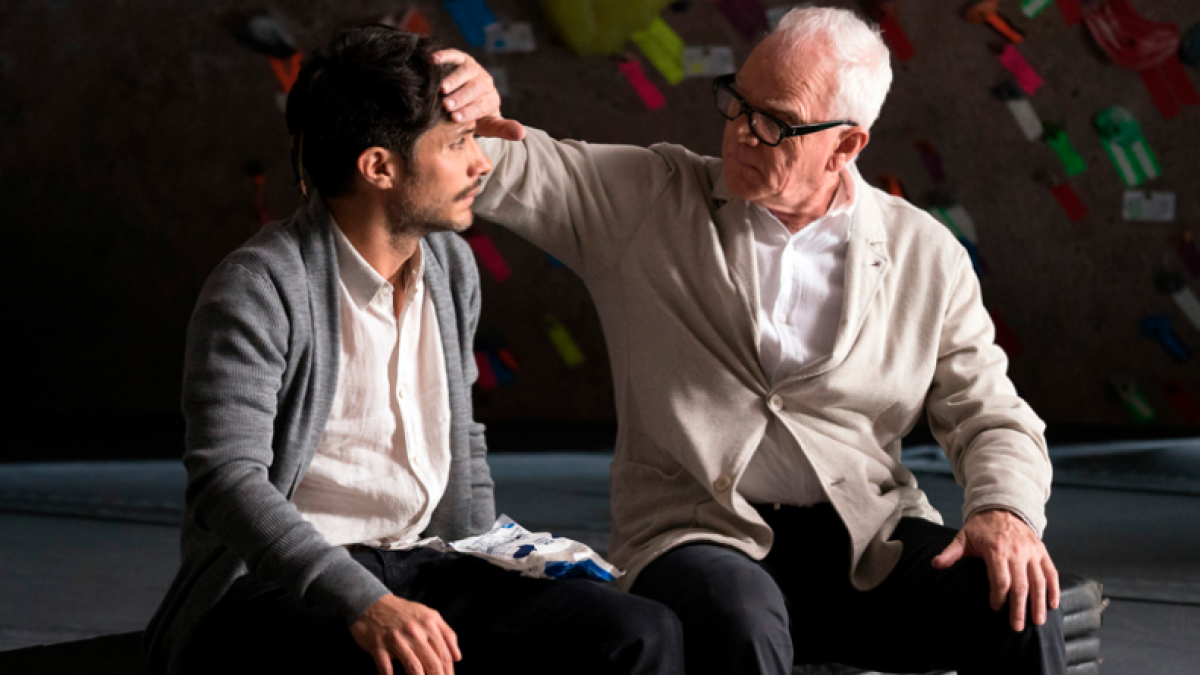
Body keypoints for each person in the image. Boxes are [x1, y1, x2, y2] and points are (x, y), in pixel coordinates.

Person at [470, 7, 1066, 675]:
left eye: (774, 122)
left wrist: (1004, 509)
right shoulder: (651, 201)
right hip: (699, 534)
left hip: (870, 538)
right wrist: (459, 99)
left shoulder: (925, 253)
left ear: (846, 146)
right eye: (737, 102)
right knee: (740, 614)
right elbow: (506, 164)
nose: (740, 131)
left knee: (1018, 606)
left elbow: (990, 413)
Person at [143, 26, 683, 675]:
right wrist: (365, 601)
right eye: (457, 143)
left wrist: (500, 560)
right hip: (276, 584)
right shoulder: (260, 287)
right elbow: (228, 483)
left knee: (639, 632)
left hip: (423, 561)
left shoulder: (451, 266)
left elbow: (462, 437)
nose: (481, 163)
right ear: (379, 167)